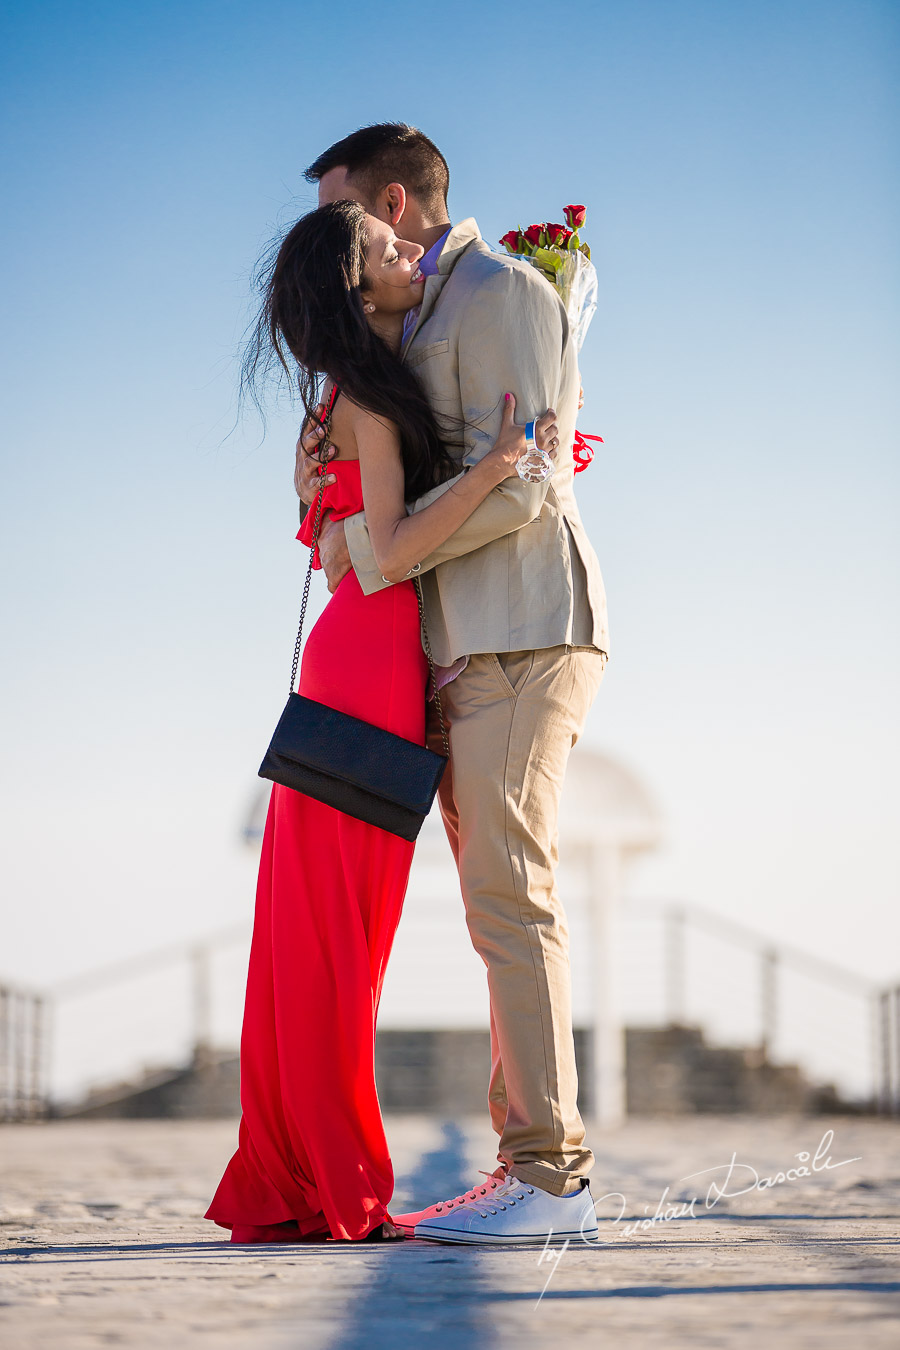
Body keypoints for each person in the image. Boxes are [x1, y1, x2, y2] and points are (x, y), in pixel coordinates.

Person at [204, 198, 559, 1244]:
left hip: (352, 666)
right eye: (392, 248)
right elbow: (395, 550)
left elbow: (334, 536)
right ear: (359, 288)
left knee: (320, 939)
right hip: (368, 672)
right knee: (340, 946)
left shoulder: (333, 403)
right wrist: (500, 467)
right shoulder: (361, 397)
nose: (415, 253)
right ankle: (334, 1182)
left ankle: (307, 1173)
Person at [295, 124, 610, 1245]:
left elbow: (526, 486)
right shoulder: (410, 321)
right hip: (453, 647)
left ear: (392, 202)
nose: (347, 244)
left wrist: (381, 551)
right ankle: (522, 1164)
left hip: (524, 633)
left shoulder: (505, 292)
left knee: (510, 897)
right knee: (493, 909)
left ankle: (551, 1181)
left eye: (351, 220)